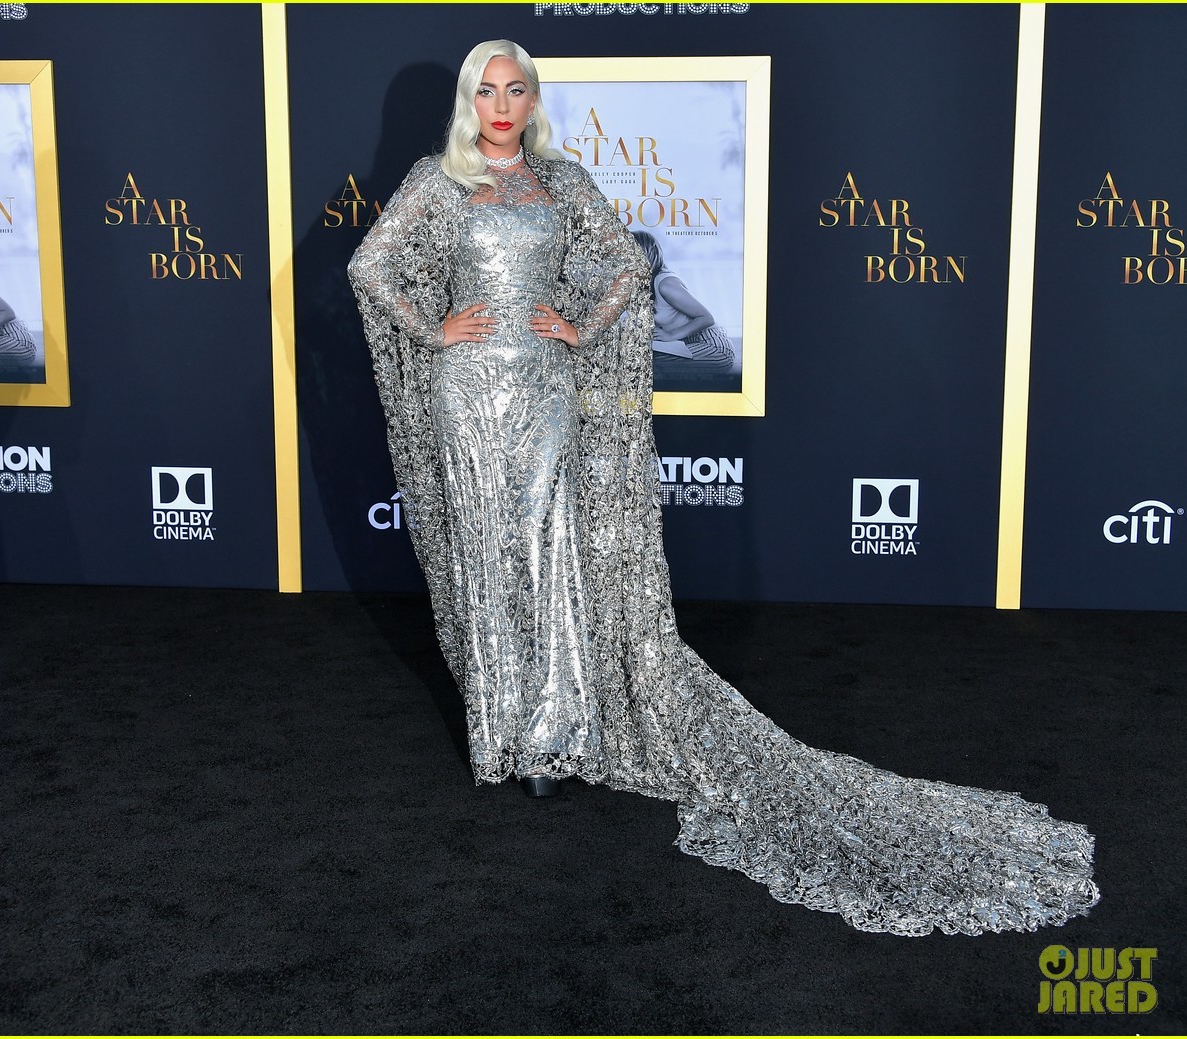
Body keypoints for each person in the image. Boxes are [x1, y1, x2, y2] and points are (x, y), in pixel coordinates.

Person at [348, 40, 1099, 936]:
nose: (502, 106)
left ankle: (548, 738)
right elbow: (369, 267)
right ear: (469, 102)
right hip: (467, 393)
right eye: (488, 91)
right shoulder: (438, 182)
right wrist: (434, 327)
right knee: (485, 551)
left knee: (548, 553)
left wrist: (579, 326)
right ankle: (498, 730)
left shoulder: (560, 181)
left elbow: (628, 266)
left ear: (534, 100)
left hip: (546, 391)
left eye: (516, 90)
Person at [631, 229, 735, 372]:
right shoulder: (642, 286)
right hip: (682, 346)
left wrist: (671, 335)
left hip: (712, 347)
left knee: (642, 363)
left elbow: (706, 318)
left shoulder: (665, 284)